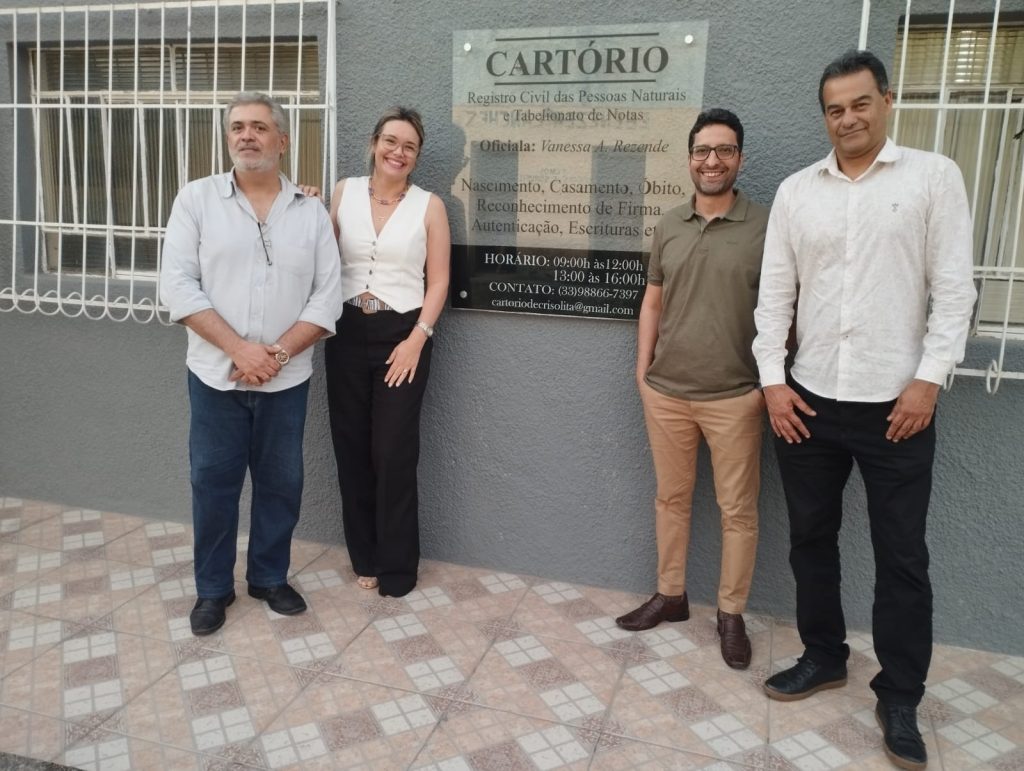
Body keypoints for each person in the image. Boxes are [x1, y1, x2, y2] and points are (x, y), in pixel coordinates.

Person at [752, 50, 976, 770]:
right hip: (808, 401)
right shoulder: (797, 191)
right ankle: (823, 655)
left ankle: (901, 693)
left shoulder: (933, 178)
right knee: (810, 539)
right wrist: (772, 381)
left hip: (897, 406)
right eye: (834, 109)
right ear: (824, 116)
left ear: (886, 100)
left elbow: (956, 290)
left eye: (859, 104)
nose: (847, 119)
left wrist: (929, 380)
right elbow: (774, 296)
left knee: (902, 556)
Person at [160, 92, 343, 635]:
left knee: (281, 484)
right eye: (237, 126)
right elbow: (177, 287)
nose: (247, 135)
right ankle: (213, 589)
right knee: (212, 484)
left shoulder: (310, 212)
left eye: (259, 127)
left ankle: (268, 577)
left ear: (282, 141)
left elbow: (327, 297)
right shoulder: (196, 200)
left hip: (287, 380)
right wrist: (239, 350)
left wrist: (277, 354)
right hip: (215, 377)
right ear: (227, 138)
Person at [615, 108, 769, 671]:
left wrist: (767, 384)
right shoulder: (669, 225)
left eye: (724, 150)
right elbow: (652, 300)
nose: (712, 161)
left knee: (738, 511)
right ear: (689, 159)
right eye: (703, 150)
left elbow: (785, 308)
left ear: (739, 158)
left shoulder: (765, 226)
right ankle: (671, 595)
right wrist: (642, 372)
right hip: (667, 393)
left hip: (735, 395)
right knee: (671, 498)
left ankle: (731, 614)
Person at [324, 107, 450, 598]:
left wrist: (418, 338)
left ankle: (398, 565)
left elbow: (438, 281)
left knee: (393, 451)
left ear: (417, 156)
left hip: (404, 333)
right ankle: (365, 556)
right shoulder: (344, 191)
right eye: (391, 141)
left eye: (409, 147)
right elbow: (321, 253)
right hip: (345, 330)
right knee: (351, 446)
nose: (398, 152)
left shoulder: (429, 206)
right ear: (374, 143)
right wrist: (307, 207)